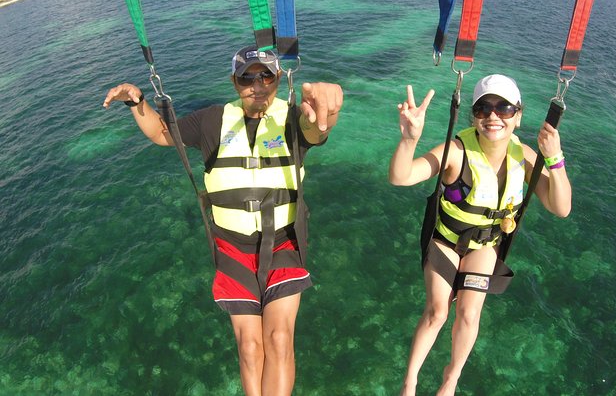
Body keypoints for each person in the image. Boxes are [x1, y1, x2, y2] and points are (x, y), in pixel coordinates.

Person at [103, 46, 343, 396]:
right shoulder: (211, 121)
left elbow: (317, 128)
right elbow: (160, 133)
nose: (258, 85)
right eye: (248, 76)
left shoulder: (292, 117)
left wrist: (327, 107)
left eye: (267, 76)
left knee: (278, 338)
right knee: (249, 347)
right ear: (234, 82)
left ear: (278, 79)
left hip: (284, 244)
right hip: (233, 249)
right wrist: (137, 100)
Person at [389, 74, 571, 396]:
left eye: (504, 108)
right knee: (437, 312)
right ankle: (410, 381)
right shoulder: (456, 151)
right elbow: (401, 176)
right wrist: (409, 139)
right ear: (473, 115)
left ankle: (451, 378)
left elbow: (561, 207)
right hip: (445, 241)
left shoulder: (525, 156)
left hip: (484, 245)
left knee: (470, 314)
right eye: (483, 107)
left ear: (518, 116)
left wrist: (554, 158)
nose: (493, 115)